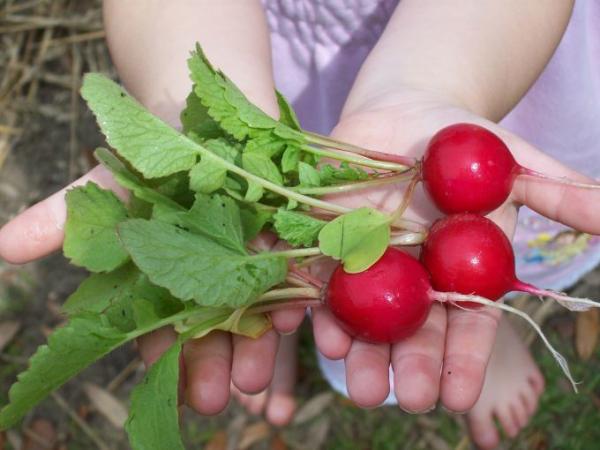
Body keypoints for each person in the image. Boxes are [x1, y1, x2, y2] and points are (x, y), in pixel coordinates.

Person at [1, 1, 599, 449]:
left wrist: (431, 86)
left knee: (480, 289)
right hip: (267, 63)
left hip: (482, 50)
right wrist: (180, 111)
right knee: (282, 267)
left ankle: (270, 307)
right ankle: (264, 312)